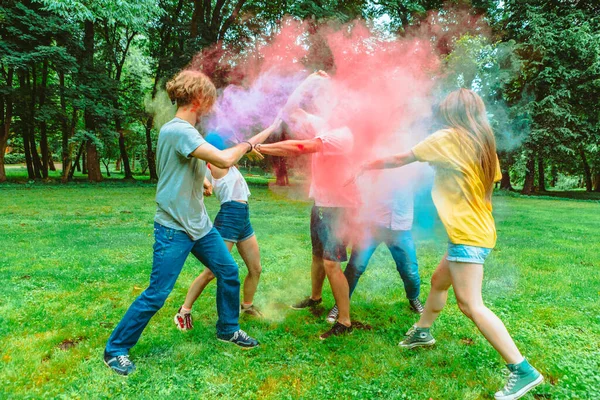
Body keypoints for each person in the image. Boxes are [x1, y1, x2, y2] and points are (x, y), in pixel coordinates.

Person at [353, 89, 543, 400]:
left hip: (468, 235)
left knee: (471, 304)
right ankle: (423, 331)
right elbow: (486, 191)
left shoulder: (447, 138)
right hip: (478, 230)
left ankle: (522, 370)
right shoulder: (484, 143)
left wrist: (366, 165)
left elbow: (400, 158)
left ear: (451, 112)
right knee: (439, 282)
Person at [103, 69, 280, 376]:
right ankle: (115, 349)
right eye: (209, 99)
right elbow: (224, 160)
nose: (212, 105)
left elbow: (177, 169)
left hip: (199, 225)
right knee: (157, 293)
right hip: (174, 227)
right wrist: (249, 144)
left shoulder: (185, 132)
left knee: (228, 271)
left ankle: (228, 329)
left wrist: (202, 185)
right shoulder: (180, 131)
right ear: (198, 99)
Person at [255, 71, 360, 340]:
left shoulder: (342, 135)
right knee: (317, 256)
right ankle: (315, 299)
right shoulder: (324, 125)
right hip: (322, 204)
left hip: (340, 209)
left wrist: (260, 147)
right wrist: (307, 82)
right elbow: (290, 111)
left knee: (332, 263)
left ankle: (345, 321)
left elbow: (300, 147)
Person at [174, 133, 264, 331]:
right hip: (229, 218)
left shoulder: (226, 164)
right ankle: (184, 311)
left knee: (255, 268)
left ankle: (247, 306)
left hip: (243, 218)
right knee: (212, 271)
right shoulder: (216, 164)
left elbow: (237, 149)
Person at [325, 170, 424, 324]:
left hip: (400, 227)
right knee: (355, 268)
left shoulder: (410, 163)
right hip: (371, 226)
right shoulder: (374, 159)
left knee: (410, 271)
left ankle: (413, 298)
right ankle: (340, 304)